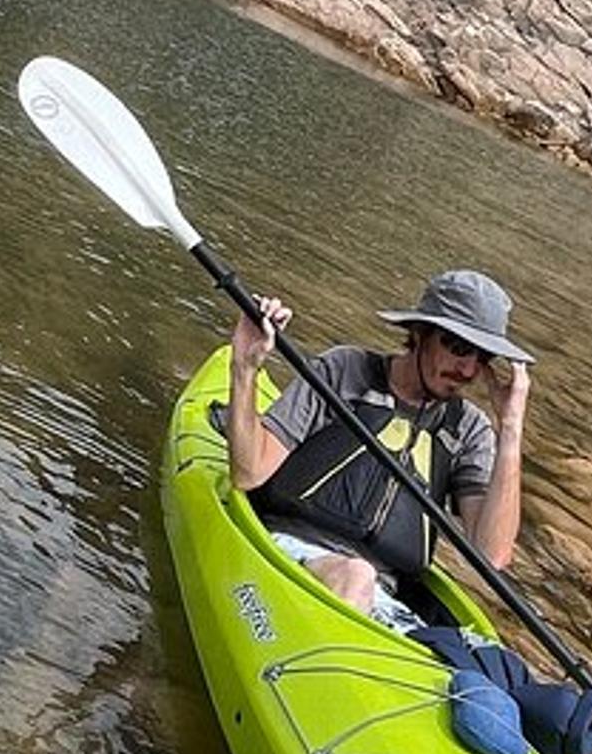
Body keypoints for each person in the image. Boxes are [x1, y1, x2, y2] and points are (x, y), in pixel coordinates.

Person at [226, 269, 533, 631]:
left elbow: (493, 555)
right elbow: (248, 473)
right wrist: (244, 368)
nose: (467, 369)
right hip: (288, 550)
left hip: (382, 597)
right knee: (356, 575)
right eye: (458, 348)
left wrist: (511, 428)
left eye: (481, 357)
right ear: (419, 334)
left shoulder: (469, 430)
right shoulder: (344, 371)